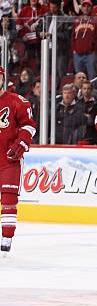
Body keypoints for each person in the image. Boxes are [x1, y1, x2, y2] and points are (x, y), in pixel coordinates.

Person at [0, 66, 37, 253]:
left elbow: (29, 126)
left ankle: (6, 238)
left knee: (8, 197)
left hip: (8, 159)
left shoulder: (17, 101)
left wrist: (21, 144)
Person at [71, 0, 97, 80]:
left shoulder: (96, 20)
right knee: (79, 78)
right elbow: (72, 36)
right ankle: (79, 93)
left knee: (92, 77)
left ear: (91, 8)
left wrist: (94, 50)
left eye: (88, 6)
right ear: (81, 8)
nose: (86, 8)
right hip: (78, 54)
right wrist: (74, 49)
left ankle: (93, 92)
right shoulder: (77, 20)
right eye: (84, 6)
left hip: (90, 54)